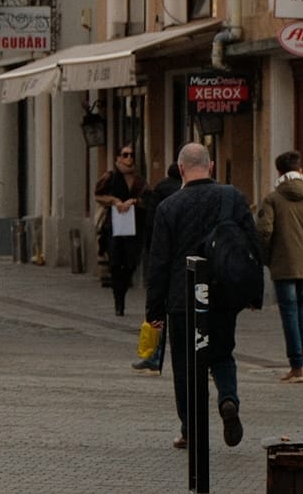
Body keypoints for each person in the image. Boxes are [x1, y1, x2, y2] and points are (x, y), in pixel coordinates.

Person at [145, 143, 253, 450]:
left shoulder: (169, 207)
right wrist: (249, 292)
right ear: (212, 166)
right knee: (222, 354)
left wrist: (154, 311)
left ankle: (190, 428)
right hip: (222, 295)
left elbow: (159, 263)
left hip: (183, 298)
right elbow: (252, 246)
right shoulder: (233, 198)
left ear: (181, 169)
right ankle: (228, 399)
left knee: (185, 366)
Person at [256, 150, 303, 382]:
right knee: (301, 307)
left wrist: (267, 257)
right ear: (300, 170)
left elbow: (264, 231)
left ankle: (297, 367)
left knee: (289, 311)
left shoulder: (273, 199)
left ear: (279, 172)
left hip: (282, 263)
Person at [132, 155, 184, 376]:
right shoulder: (195, 191)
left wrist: (149, 250)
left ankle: (154, 357)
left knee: (159, 309)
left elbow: (152, 222)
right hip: (192, 260)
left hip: (166, 258)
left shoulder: (162, 189)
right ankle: (205, 361)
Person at [94, 144, 148, 316]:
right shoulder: (110, 177)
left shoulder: (139, 180)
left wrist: (134, 202)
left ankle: (124, 287)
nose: (129, 158)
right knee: (116, 264)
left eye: (131, 155)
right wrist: (114, 201)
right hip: (114, 227)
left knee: (131, 263)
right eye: (125, 155)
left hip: (135, 228)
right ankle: (119, 300)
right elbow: (98, 195)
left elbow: (148, 199)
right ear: (118, 158)